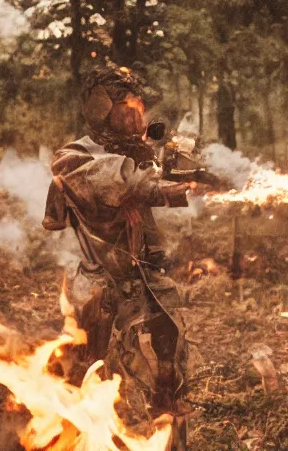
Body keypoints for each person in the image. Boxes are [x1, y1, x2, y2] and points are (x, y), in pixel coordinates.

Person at [42, 65, 194, 448]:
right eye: (126, 107)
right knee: (83, 381)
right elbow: (106, 180)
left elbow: (152, 187)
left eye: (139, 107)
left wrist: (185, 174)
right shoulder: (76, 156)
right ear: (101, 110)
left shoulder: (136, 155)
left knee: (168, 376)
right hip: (98, 289)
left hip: (144, 284)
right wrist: (148, 178)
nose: (136, 117)